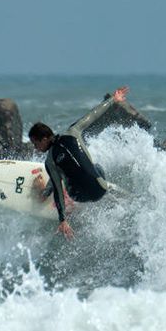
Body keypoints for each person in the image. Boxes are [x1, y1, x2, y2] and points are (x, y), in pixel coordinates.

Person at [29, 86, 129, 239]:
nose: (36, 148)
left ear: (44, 139)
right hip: (100, 189)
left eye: (36, 144)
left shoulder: (50, 160)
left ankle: (43, 193)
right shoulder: (73, 131)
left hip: (79, 196)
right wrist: (113, 100)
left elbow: (57, 191)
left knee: (57, 176)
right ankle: (108, 190)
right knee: (97, 167)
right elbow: (93, 115)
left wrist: (62, 220)